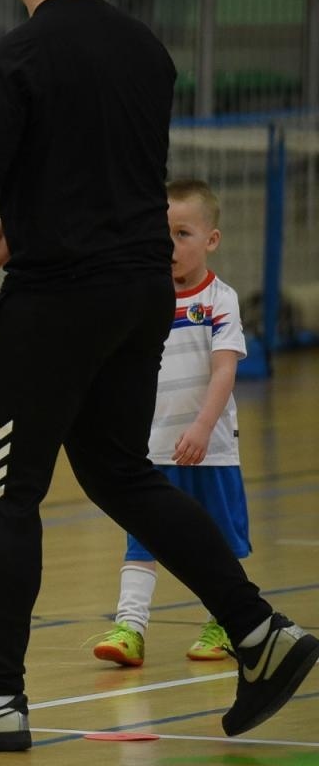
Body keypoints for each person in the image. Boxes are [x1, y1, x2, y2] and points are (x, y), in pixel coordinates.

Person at [0, 0, 316, 752]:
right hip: (139, 291)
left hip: (56, 304)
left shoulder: (12, 58)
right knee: (120, 471)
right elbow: (111, 174)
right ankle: (258, 630)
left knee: (2, 491)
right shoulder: (145, 51)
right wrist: (27, 228)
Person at [93, 179, 249, 668]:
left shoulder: (221, 301)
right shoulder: (143, 299)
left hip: (212, 448)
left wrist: (203, 427)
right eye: (162, 235)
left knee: (219, 539)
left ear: (211, 240)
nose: (170, 247)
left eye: (183, 234)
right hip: (151, 448)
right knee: (142, 540)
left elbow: (224, 369)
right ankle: (130, 628)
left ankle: (224, 622)